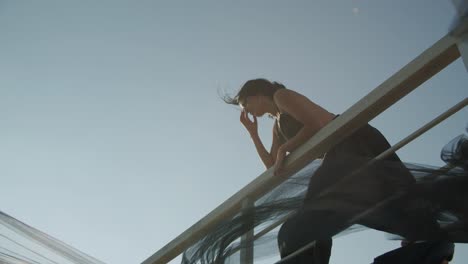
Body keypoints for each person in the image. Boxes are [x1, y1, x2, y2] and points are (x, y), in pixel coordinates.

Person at [224, 78, 445, 263]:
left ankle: (429, 241)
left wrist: (285, 148)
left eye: (244, 103)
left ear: (256, 94)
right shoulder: (277, 125)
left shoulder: (282, 96)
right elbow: (273, 166)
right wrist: (253, 134)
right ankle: (425, 242)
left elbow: (316, 124)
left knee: (323, 209)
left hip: (353, 141)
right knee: (332, 210)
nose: (245, 109)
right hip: (339, 155)